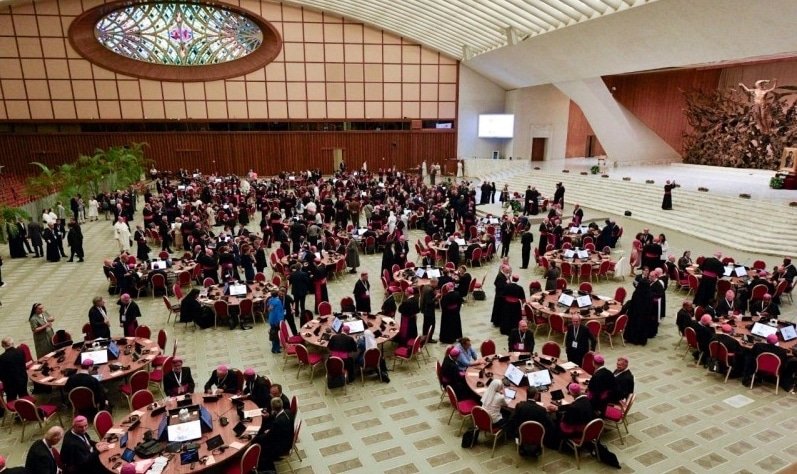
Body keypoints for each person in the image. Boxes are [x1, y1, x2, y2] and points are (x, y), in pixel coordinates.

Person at [254, 397, 294, 472]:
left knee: (260, 444)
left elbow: (268, 437)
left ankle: (266, 469)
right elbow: (276, 429)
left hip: (282, 447)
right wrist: (270, 431)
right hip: (288, 439)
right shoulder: (288, 411)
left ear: (272, 408)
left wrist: (255, 438)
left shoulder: (277, 423)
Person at [267, 289, 284, 353]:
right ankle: (275, 349)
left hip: (271, 320)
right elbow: (279, 312)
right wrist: (280, 321)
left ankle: (275, 347)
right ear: (277, 294)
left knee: (273, 334)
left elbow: (270, 309)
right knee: (277, 335)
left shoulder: (270, 300)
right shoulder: (278, 301)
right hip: (276, 321)